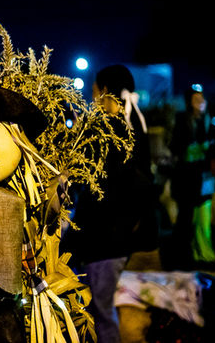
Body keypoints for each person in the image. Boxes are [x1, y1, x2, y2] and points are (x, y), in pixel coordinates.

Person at [61, 64, 158, 343]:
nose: (92, 98)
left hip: (105, 239)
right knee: (99, 309)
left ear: (104, 91)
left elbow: (100, 187)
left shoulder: (112, 132)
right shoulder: (134, 125)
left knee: (100, 312)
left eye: (94, 92)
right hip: (114, 238)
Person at [169, 84, 215, 270]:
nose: (201, 102)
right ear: (189, 102)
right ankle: (184, 258)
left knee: (204, 220)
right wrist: (202, 146)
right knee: (185, 221)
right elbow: (176, 147)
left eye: (202, 99)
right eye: (196, 99)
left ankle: (204, 256)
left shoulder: (210, 122)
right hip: (186, 181)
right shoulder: (182, 120)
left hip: (204, 180)